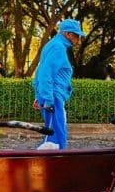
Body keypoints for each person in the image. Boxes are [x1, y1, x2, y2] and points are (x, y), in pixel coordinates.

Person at [32, 18, 85, 149]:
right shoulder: (58, 48)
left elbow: (41, 71)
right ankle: (54, 165)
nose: (78, 39)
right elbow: (46, 73)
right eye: (76, 35)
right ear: (67, 34)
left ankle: (51, 164)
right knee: (56, 136)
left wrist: (40, 95)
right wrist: (48, 99)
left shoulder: (53, 44)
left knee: (53, 133)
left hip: (51, 96)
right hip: (54, 97)